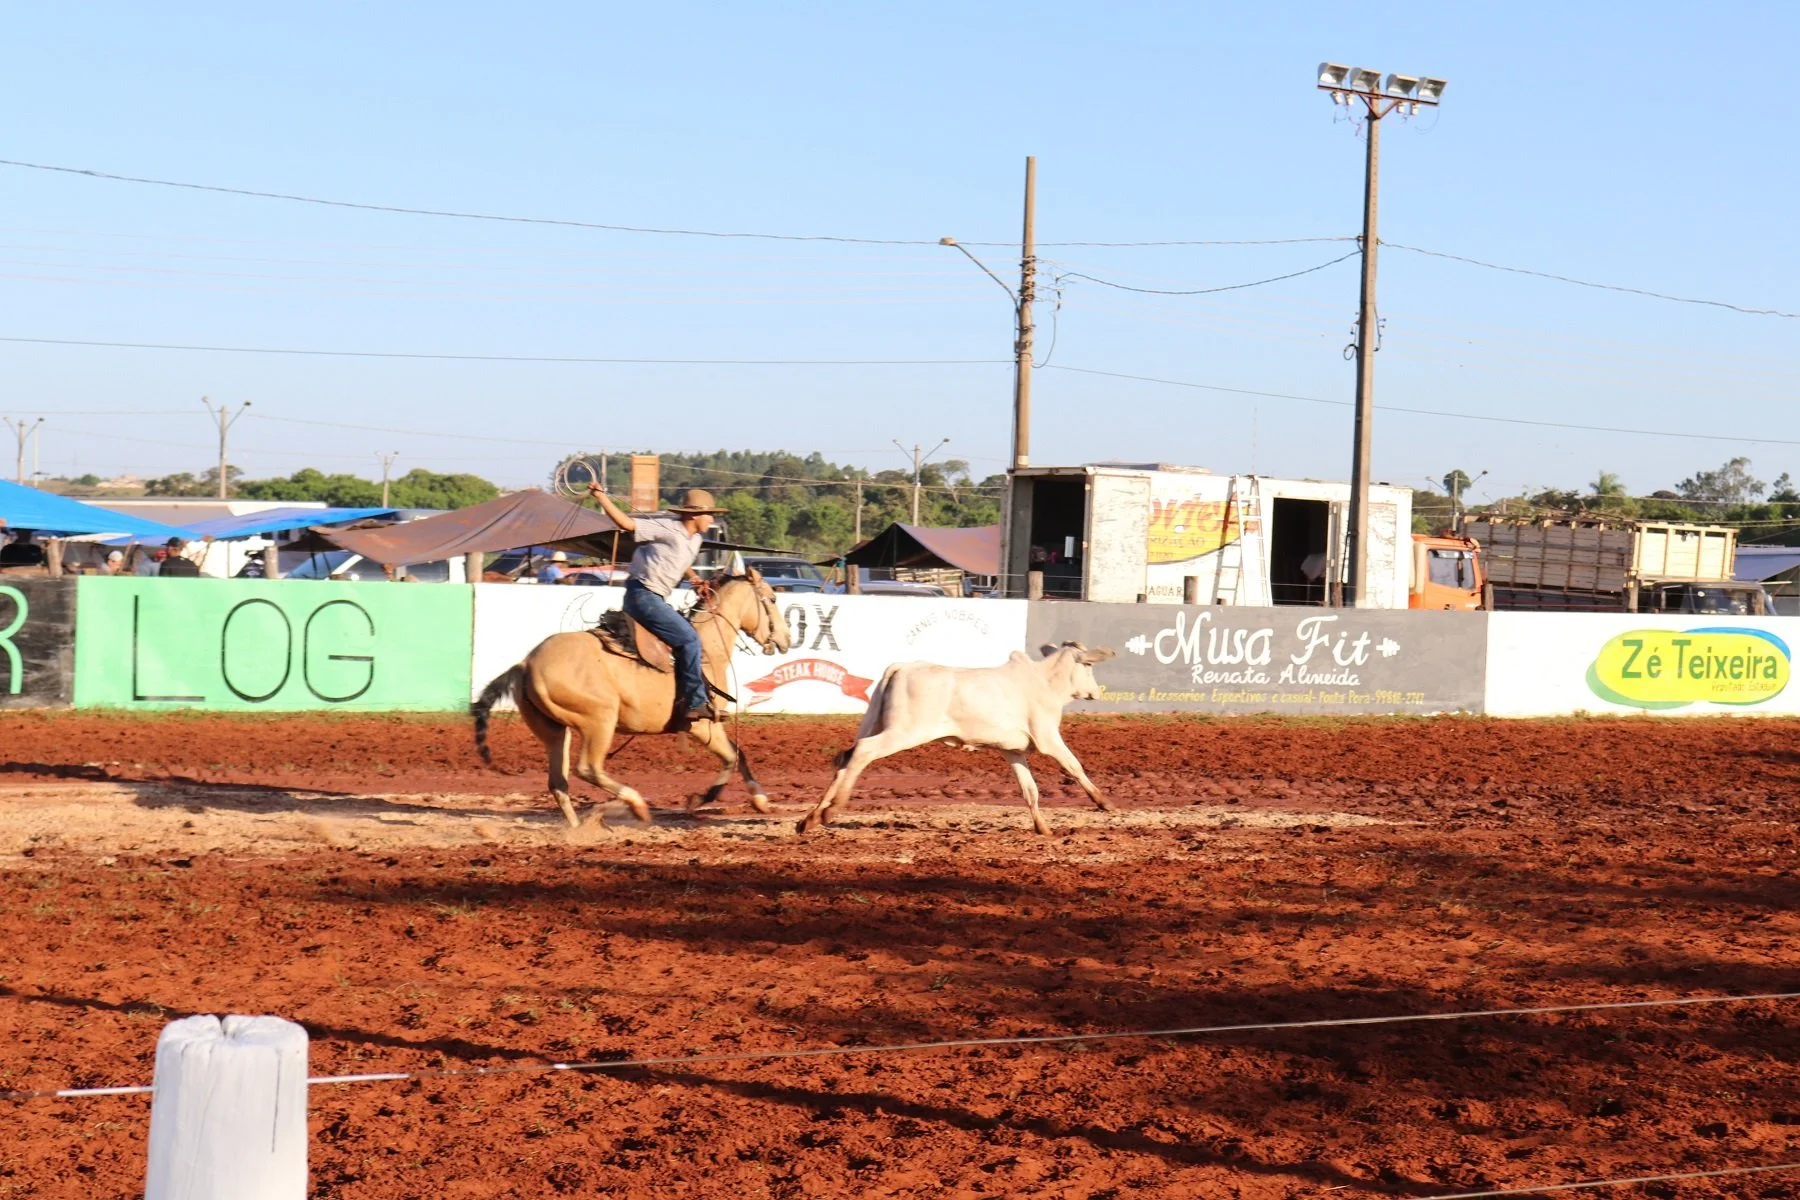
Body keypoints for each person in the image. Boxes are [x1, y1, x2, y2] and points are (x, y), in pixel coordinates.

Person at [586, 483, 724, 724]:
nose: (712, 519)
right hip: (643, 595)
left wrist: (694, 579)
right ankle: (694, 702)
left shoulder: (695, 540)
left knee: (685, 637)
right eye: (709, 514)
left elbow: (681, 561)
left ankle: (681, 697)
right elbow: (627, 524)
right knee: (689, 639)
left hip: (652, 598)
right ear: (694, 515)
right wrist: (601, 497)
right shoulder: (667, 527)